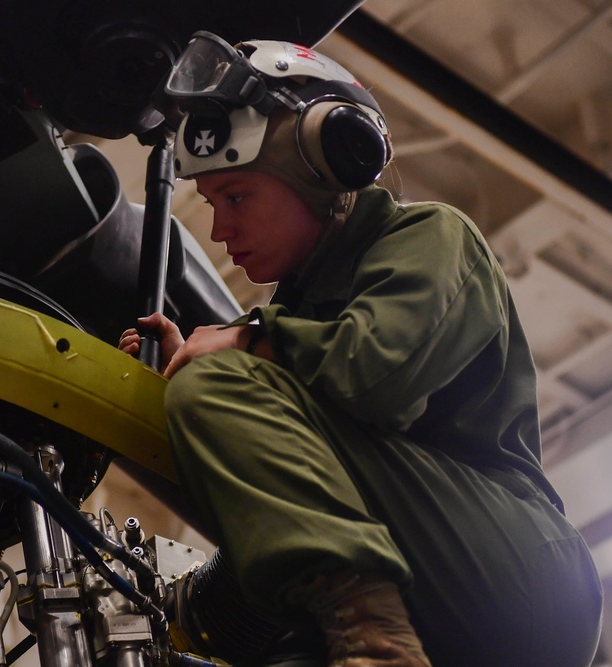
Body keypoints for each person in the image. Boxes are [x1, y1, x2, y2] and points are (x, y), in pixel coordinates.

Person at [119, 33, 603, 667]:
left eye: (237, 197)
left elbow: (372, 375)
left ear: (326, 164)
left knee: (214, 386)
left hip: (521, 579)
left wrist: (244, 342)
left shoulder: (430, 236)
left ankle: (375, 645)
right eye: (211, 204)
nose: (219, 230)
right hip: (444, 607)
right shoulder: (292, 319)